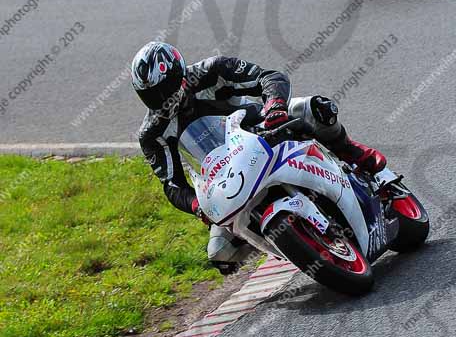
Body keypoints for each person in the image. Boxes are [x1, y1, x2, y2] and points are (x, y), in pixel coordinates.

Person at [132, 42, 386, 273]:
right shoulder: (152, 133)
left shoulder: (213, 71)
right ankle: (286, 243)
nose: (163, 99)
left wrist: (274, 106)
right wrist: (197, 206)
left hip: (266, 134)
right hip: (227, 179)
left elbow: (269, 77)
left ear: (180, 73)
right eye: (153, 95)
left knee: (316, 107)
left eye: (165, 89)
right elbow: (172, 185)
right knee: (221, 254)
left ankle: (350, 151)